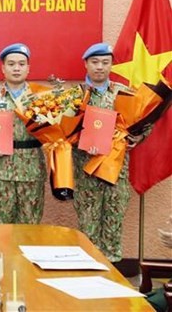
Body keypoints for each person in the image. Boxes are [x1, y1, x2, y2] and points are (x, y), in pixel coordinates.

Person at [72, 42, 147, 262]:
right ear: (86, 64)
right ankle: (87, 278)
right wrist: (76, 138)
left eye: (105, 62)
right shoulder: (76, 96)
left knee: (113, 228)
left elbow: (144, 123)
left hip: (116, 174)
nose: (100, 67)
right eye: (94, 62)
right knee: (87, 230)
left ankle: (112, 276)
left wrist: (137, 137)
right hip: (86, 173)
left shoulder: (124, 94)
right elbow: (61, 130)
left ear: (112, 65)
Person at [0, 43, 47, 224]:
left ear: (28, 68)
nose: (16, 68)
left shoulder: (41, 97)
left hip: (31, 169)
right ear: (3, 68)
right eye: (11, 64)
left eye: (21, 64)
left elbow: (54, 131)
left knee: (30, 226)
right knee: (1, 225)